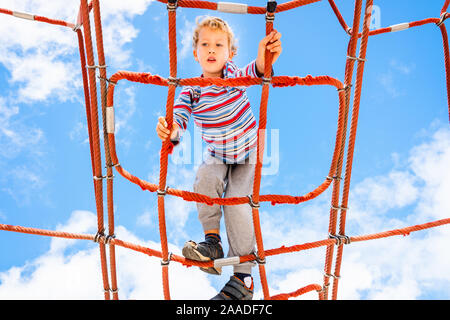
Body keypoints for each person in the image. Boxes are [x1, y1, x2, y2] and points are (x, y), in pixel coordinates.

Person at [155, 16, 282, 300]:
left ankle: (243, 278)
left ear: (230, 53)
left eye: (218, 45)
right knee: (204, 177)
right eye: (205, 44)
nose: (211, 50)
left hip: (249, 153)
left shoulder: (234, 75)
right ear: (195, 52)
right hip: (220, 154)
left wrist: (266, 55)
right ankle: (212, 242)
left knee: (238, 204)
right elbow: (179, 121)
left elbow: (258, 70)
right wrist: (170, 131)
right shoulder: (190, 89)